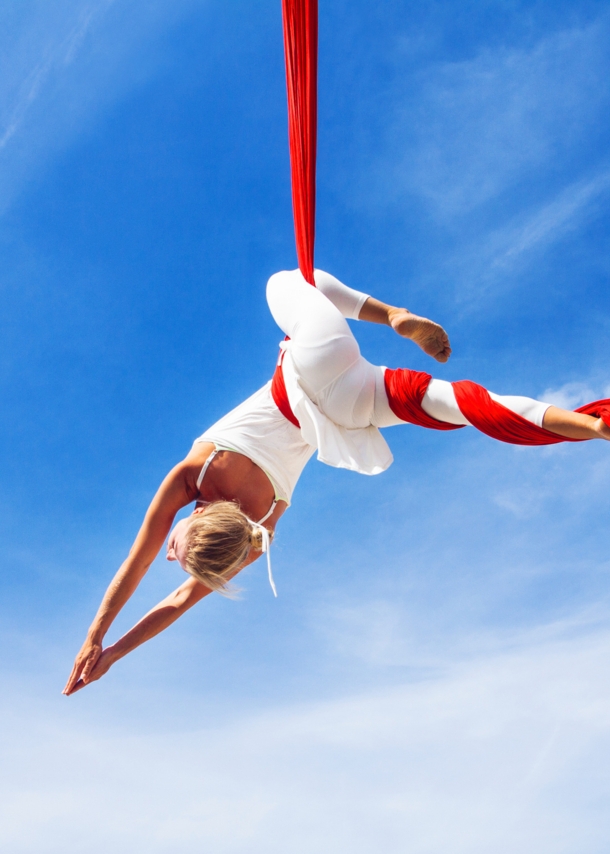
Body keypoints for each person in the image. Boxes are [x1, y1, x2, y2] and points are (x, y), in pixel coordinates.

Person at [63, 269, 610, 695]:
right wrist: (95, 636)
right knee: (292, 281)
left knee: (471, 407)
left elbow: (179, 602)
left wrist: (113, 655)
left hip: (352, 410)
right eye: (179, 548)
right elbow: (137, 563)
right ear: (202, 515)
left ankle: (591, 425)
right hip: (314, 365)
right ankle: (395, 314)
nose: (168, 554)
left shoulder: (258, 535)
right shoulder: (194, 475)